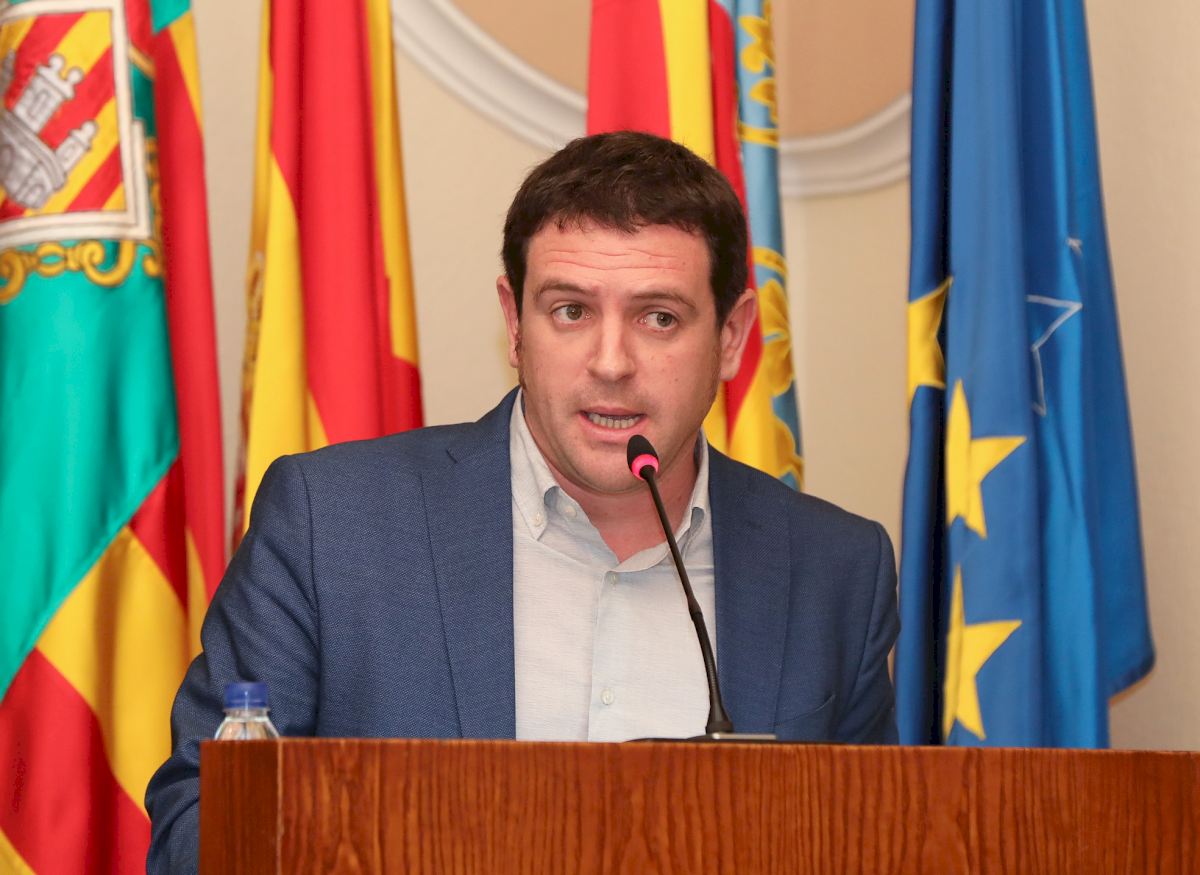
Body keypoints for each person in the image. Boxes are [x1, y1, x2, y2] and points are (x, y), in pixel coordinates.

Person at [145, 131, 898, 871]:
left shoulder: (837, 572)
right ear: (514, 323)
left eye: (659, 317)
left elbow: (873, 843)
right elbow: (201, 827)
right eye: (571, 311)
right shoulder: (331, 524)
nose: (611, 363)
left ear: (731, 337)